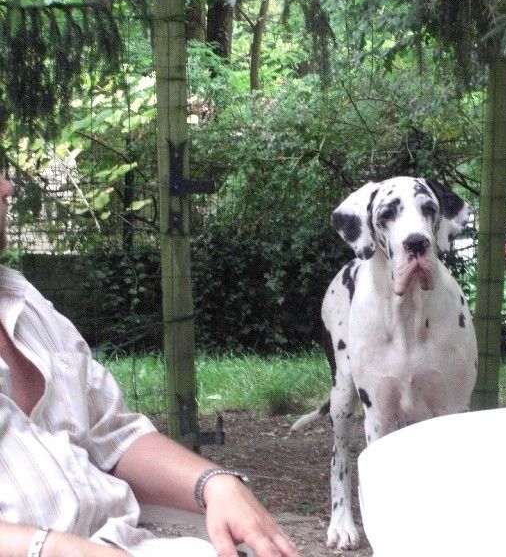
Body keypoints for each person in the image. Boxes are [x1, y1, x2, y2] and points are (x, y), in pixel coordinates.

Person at [0, 175, 301, 557]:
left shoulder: (26, 302)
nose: (7, 187)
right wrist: (56, 549)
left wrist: (215, 484)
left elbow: (114, 435)